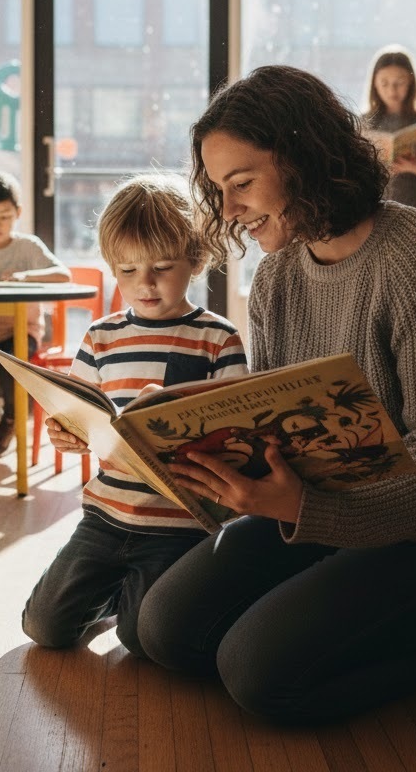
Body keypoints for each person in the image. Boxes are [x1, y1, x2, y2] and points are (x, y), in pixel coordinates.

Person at [136, 65, 416, 724]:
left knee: (256, 675)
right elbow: (282, 418)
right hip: (323, 510)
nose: (228, 210)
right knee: (164, 631)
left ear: (306, 162)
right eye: (218, 189)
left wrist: (300, 508)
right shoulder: (278, 276)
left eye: (242, 184)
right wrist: (176, 429)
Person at [22, 173, 248, 657]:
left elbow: (237, 432)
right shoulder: (101, 337)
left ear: (196, 259)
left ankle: (126, 601)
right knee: (44, 627)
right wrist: (63, 433)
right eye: (126, 271)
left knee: (139, 639)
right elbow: (77, 412)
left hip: (178, 521)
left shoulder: (217, 337)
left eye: (162, 267)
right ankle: (109, 595)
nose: (143, 284)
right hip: (106, 513)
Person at [0, 172, 70, 459]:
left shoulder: (27, 246)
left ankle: (10, 420)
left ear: (18, 213)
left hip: (22, 330)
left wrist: (23, 276)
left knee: (11, 365)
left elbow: (63, 274)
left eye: (4, 216)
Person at [361, 46, 416, 211]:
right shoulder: (365, 122)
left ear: (410, 82)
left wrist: (415, 167)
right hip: (376, 203)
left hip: (415, 201)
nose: (392, 90)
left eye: (399, 82)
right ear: (375, 84)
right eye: (384, 83)